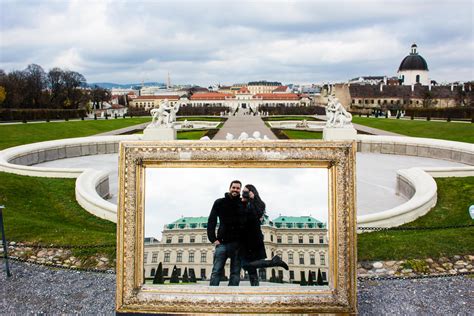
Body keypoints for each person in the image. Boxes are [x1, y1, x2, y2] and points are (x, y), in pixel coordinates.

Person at [240, 184, 289, 286]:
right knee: (250, 267)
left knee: (246, 265)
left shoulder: (260, 204)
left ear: (252, 192)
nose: (243, 194)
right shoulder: (242, 203)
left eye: (246, 192)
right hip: (244, 238)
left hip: (254, 238)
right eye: (243, 192)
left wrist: (252, 201)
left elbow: (255, 216)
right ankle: (256, 289)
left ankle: (274, 262)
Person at [207, 180, 244, 286]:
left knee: (235, 273)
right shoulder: (219, 202)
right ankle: (212, 298)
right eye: (234, 187)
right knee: (216, 271)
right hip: (222, 243)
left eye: (238, 188)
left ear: (240, 190)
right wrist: (213, 239)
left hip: (237, 244)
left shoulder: (243, 203)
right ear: (229, 188)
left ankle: (232, 299)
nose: (235, 190)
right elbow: (212, 221)